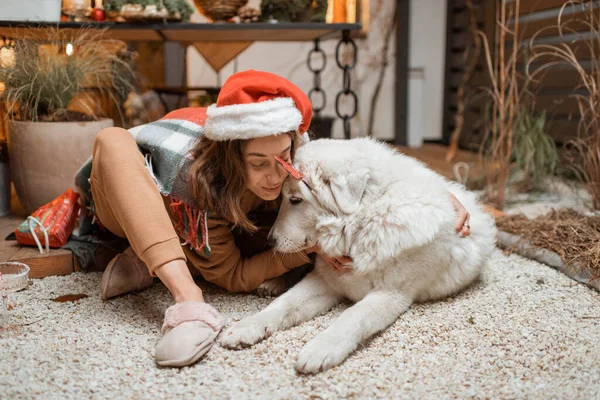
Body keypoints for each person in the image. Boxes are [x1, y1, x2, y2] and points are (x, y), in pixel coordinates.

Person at [76, 70, 472, 368]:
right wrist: (311, 247)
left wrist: (439, 193)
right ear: (235, 157)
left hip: (227, 214)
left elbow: (365, 164)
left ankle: (150, 257)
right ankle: (186, 298)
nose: (274, 175)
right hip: (129, 197)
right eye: (257, 163)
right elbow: (231, 276)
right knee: (113, 139)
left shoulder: (293, 158)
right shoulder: (197, 179)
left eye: (281, 159)